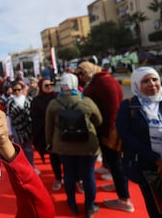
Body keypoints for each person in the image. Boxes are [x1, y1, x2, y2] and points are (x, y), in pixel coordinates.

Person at [116, 66, 162, 218]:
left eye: (155, 79)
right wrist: (157, 159)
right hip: (146, 166)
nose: (152, 84)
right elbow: (127, 136)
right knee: (156, 209)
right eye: (145, 81)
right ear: (137, 85)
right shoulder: (128, 106)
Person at [76, 61, 135, 212]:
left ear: (90, 70)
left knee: (117, 165)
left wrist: (108, 135)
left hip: (110, 131)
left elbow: (113, 110)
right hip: (109, 130)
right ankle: (118, 187)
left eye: (82, 73)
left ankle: (124, 200)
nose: (80, 77)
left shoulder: (104, 82)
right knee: (115, 164)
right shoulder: (101, 80)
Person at [45, 73, 102, 217]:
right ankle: (90, 207)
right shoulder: (86, 101)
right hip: (87, 147)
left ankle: (71, 203)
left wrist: (49, 143)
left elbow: (49, 128)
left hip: (64, 147)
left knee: (69, 174)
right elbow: (99, 120)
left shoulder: (53, 104)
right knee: (88, 176)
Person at [30, 78, 63, 190]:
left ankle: (74, 179)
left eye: (50, 84)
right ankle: (58, 178)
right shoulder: (36, 101)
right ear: (41, 87)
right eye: (46, 85)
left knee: (67, 158)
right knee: (54, 158)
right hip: (48, 134)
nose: (49, 86)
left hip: (63, 133)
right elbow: (34, 119)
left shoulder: (59, 96)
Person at [6, 80, 35, 168]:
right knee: (20, 149)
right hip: (16, 129)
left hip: (28, 128)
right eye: (15, 90)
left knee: (29, 149)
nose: (17, 92)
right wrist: (10, 132)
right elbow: (8, 117)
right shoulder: (10, 102)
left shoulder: (29, 99)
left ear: (22, 89)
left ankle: (32, 166)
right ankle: (24, 168)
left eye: (18, 89)